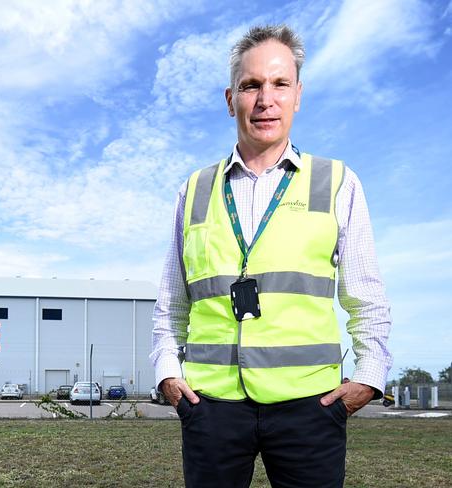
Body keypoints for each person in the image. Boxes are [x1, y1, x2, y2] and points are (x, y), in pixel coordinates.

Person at [150, 24, 391, 488]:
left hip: (312, 407)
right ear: (230, 98)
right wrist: (167, 374)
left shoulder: (338, 182)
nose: (266, 99)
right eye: (251, 85)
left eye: (280, 84)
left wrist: (369, 378)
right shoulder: (195, 190)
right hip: (210, 408)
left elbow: (366, 297)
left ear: (298, 95)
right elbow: (171, 301)